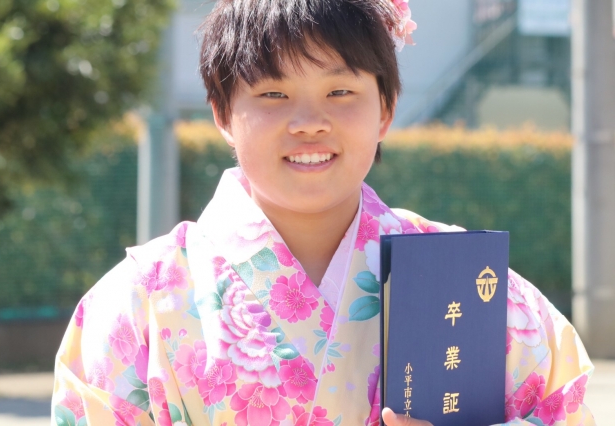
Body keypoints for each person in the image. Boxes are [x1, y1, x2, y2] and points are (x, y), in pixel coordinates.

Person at [51, 0, 595, 425]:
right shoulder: (138, 300)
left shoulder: (468, 279)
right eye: (273, 94)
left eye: (340, 90)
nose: (310, 121)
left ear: (385, 109)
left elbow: (564, 407)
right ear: (222, 113)